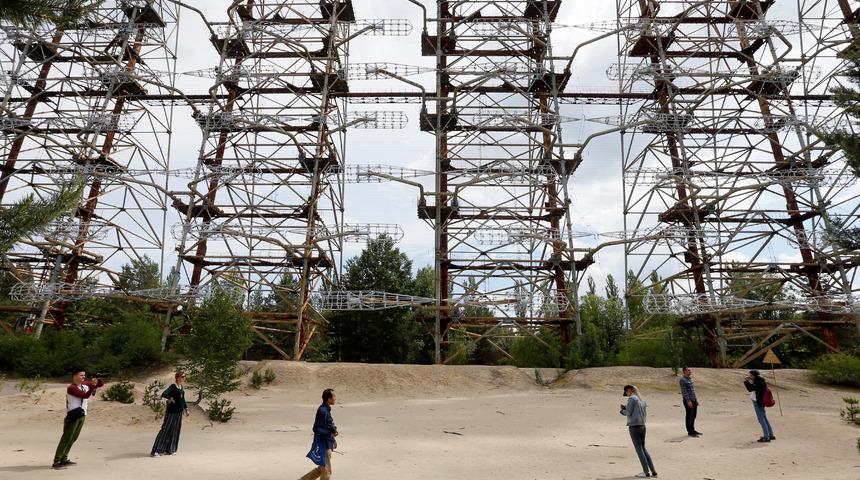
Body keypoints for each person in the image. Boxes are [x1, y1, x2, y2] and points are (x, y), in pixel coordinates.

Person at [52, 369, 104, 469]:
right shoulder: (71, 388)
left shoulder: (84, 384)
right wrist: (93, 385)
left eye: (84, 375)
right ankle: (57, 461)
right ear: (74, 376)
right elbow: (85, 396)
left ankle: (64, 458)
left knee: (73, 438)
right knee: (66, 438)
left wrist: (98, 379)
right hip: (73, 416)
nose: (83, 377)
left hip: (82, 415)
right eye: (81, 375)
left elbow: (100, 385)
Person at [299, 388, 339, 480]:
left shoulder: (326, 409)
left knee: (321, 470)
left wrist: (333, 439)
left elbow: (328, 426)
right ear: (328, 398)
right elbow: (316, 428)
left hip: (327, 444)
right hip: (323, 445)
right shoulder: (322, 411)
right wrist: (329, 435)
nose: (335, 398)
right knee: (327, 473)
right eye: (334, 396)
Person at [620, 385, 657, 478]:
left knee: (639, 450)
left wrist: (622, 411)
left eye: (627, 392)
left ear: (630, 390)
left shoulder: (632, 398)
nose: (627, 395)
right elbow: (636, 410)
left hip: (634, 426)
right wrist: (626, 407)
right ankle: (653, 471)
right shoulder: (642, 400)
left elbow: (628, 412)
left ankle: (646, 472)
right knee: (643, 448)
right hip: (642, 425)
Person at [151, 372, 190, 457]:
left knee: (175, 430)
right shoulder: (173, 386)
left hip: (179, 412)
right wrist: (170, 398)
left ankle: (170, 449)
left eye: (184, 376)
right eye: (182, 376)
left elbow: (182, 399)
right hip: (171, 412)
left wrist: (186, 409)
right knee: (165, 430)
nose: (184, 378)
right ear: (177, 377)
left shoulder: (181, 387)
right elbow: (164, 394)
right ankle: (156, 451)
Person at [744, 369, 775, 442]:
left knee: (761, 419)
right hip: (760, 402)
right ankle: (770, 435)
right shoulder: (760, 381)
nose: (750, 376)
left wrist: (746, 381)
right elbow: (753, 387)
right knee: (764, 418)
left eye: (751, 375)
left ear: (754, 375)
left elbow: (750, 389)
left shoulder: (758, 383)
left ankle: (766, 437)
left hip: (758, 402)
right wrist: (749, 381)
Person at [679, 367, 701, 437]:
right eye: (688, 370)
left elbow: (693, 391)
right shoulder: (683, 380)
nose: (690, 371)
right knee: (689, 416)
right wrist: (688, 401)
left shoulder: (690, 379)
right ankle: (690, 432)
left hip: (693, 400)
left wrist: (696, 400)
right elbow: (684, 392)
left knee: (693, 415)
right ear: (684, 371)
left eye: (690, 370)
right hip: (688, 401)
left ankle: (693, 430)